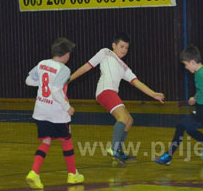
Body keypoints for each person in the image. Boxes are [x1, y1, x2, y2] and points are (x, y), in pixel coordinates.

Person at [69, 33, 165, 165]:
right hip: (105, 91)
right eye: (121, 46)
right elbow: (87, 66)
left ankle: (118, 151)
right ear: (114, 45)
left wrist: (153, 94)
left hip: (112, 93)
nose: (124, 50)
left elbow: (136, 82)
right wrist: (69, 79)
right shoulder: (106, 52)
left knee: (129, 120)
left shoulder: (124, 67)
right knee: (122, 118)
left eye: (126, 48)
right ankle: (114, 149)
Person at [25, 37, 84, 190]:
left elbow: (28, 81)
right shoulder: (64, 69)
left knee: (46, 141)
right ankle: (72, 174)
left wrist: (42, 83)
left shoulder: (42, 64)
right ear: (66, 54)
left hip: (40, 111)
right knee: (67, 139)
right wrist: (67, 107)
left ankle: (34, 172)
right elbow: (56, 90)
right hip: (56, 112)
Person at [155, 45, 203, 166]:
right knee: (190, 130)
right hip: (202, 107)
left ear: (192, 62)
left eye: (186, 65)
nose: (186, 67)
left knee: (181, 126)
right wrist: (195, 98)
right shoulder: (198, 72)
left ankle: (168, 156)